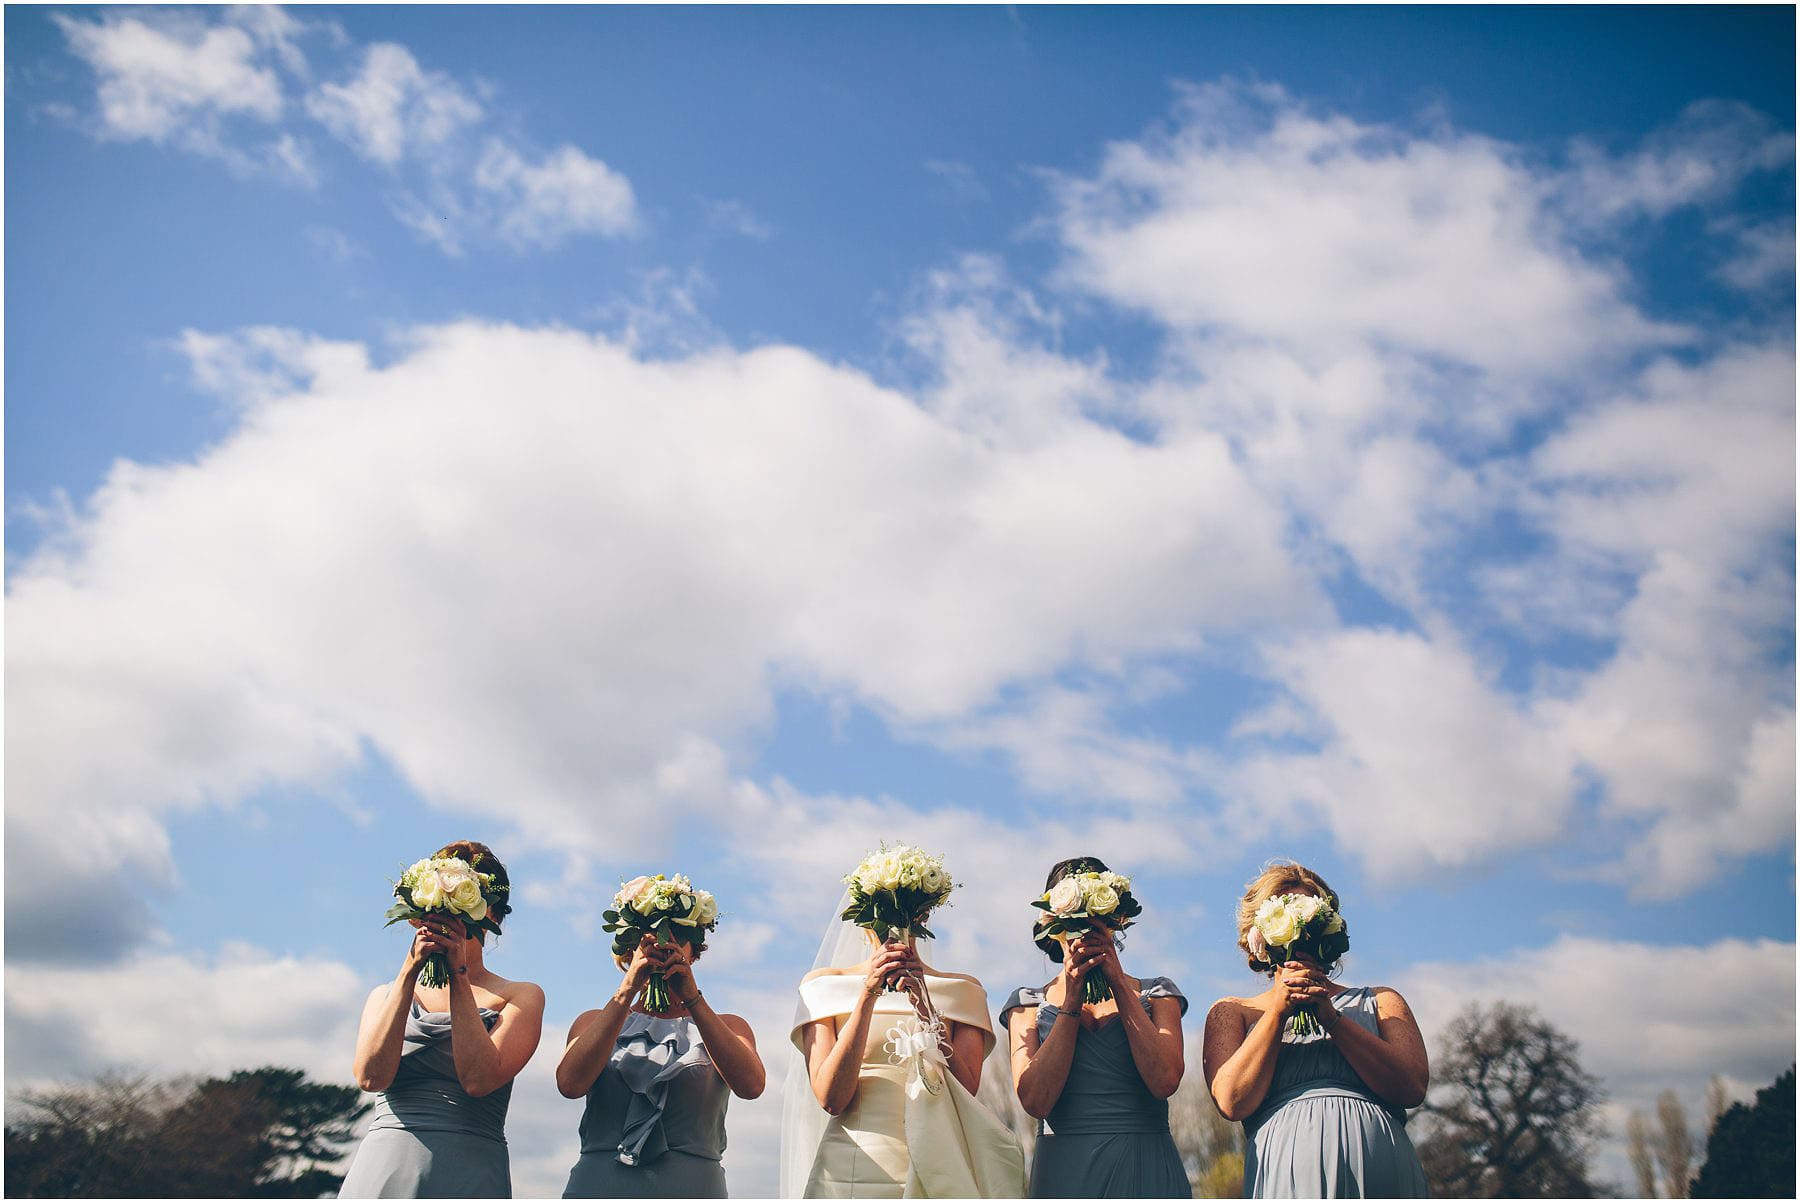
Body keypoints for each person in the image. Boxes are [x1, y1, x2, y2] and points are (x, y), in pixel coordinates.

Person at [1202, 860, 1429, 1198]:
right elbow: (1232, 1102)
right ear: (1259, 934)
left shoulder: (1382, 1000)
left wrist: (1330, 1017)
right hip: (1285, 1169)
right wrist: (1279, 1009)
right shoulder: (1233, 1011)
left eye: (1308, 916)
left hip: (1381, 1170)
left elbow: (1411, 1088)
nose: (1301, 930)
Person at [781, 891, 1026, 1197]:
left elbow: (964, 1089)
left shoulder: (963, 991)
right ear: (861, 916)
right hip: (853, 1168)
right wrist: (868, 994)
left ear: (923, 915)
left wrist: (924, 1003)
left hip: (940, 1164)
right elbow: (831, 1098)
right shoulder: (824, 987)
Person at [340, 841, 545, 1198]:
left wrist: (459, 974)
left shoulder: (521, 996)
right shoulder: (382, 996)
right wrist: (409, 970)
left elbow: (478, 1080)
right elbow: (371, 1077)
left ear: (491, 915)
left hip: (469, 1169)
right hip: (385, 1167)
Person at [1002, 856, 1188, 1197]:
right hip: (1063, 1170)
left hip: (1143, 1164)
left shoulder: (1158, 993)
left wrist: (1115, 979)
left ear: (1114, 920)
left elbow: (1165, 1080)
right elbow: (1034, 1101)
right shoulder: (1027, 1004)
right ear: (1052, 923)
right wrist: (1071, 998)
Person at [558, 929, 765, 1197]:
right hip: (600, 1186)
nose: (663, 944)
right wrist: (627, 990)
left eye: (676, 936)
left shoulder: (730, 1026)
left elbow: (751, 1087)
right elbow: (569, 1084)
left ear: (694, 950)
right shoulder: (592, 1021)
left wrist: (693, 999)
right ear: (629, 949)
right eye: (647, 938)